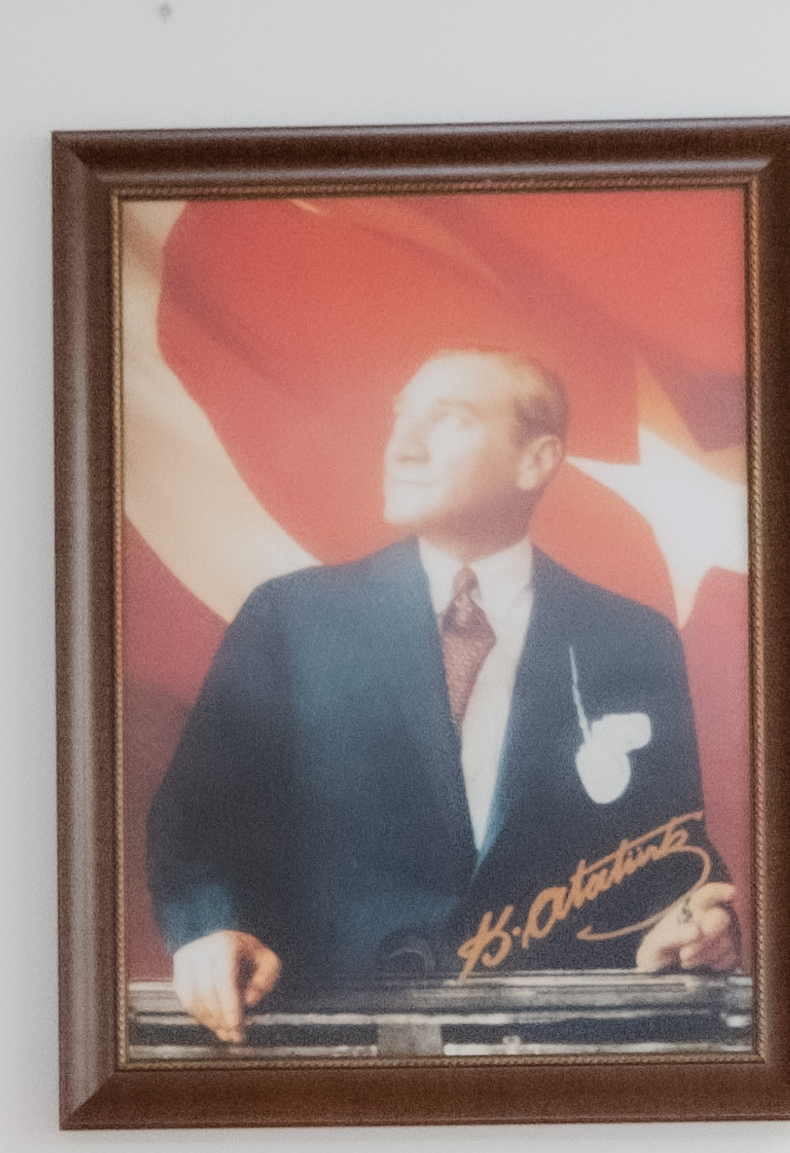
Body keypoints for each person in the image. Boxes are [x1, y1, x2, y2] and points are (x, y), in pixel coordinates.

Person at [138, 349, 742, 1043]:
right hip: (333, 1049)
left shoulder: (634, 640)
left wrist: (688, 929)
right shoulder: (290, 620)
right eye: (402, 416)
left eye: (449, 419)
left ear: (536, 461)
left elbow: (669, 854)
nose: (403, 446)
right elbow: (197, 821)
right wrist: (209, 928)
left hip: (554, 1054)